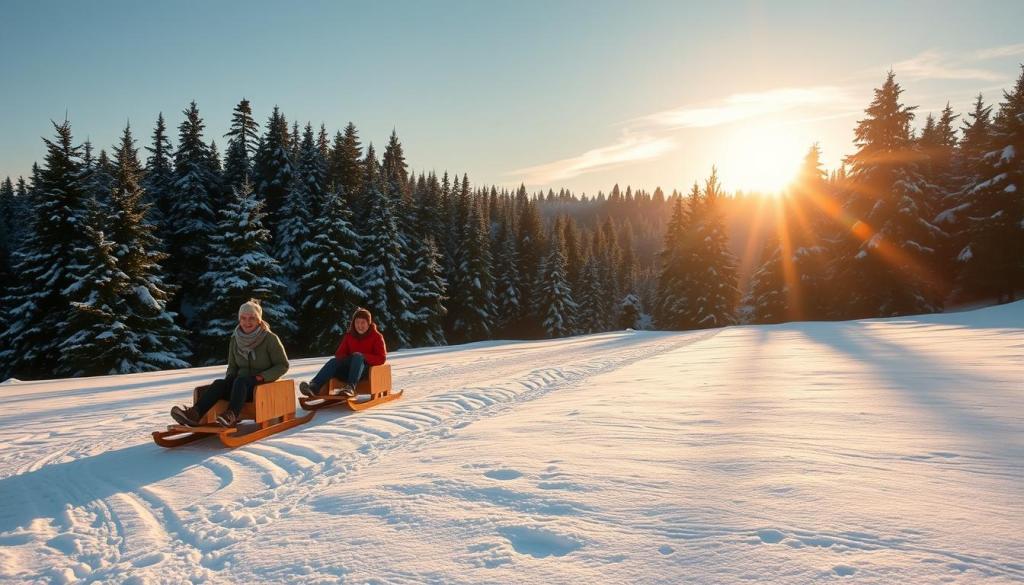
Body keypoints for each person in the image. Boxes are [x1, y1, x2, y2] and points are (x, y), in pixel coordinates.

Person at [170, 299, 290, 428]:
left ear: (259, 320)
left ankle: (231, 415)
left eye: (252, 318)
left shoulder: (270, 339)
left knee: (241, 381)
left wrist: (261, 376)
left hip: (261, 385)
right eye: (243, 318)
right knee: (219, 383)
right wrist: (230, 378)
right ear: (239, 319)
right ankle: (194, 414)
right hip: (240, 387)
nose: (247, 322)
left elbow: (283, 365)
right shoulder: (235, 339)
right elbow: (232, 366)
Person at [299, 307, 387, 398]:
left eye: (363, 323)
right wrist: (348, 359)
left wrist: (363, 356)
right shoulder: (349, 336)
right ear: (353, 323)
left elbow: (381, 358)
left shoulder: (376, 337)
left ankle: (350, 388)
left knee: (358, 357)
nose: (360, 326)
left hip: (367, 373)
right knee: (334, 361)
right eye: (357, 322)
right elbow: (339, 354)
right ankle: (314, 387)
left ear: (368, 324)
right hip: (348, 371)